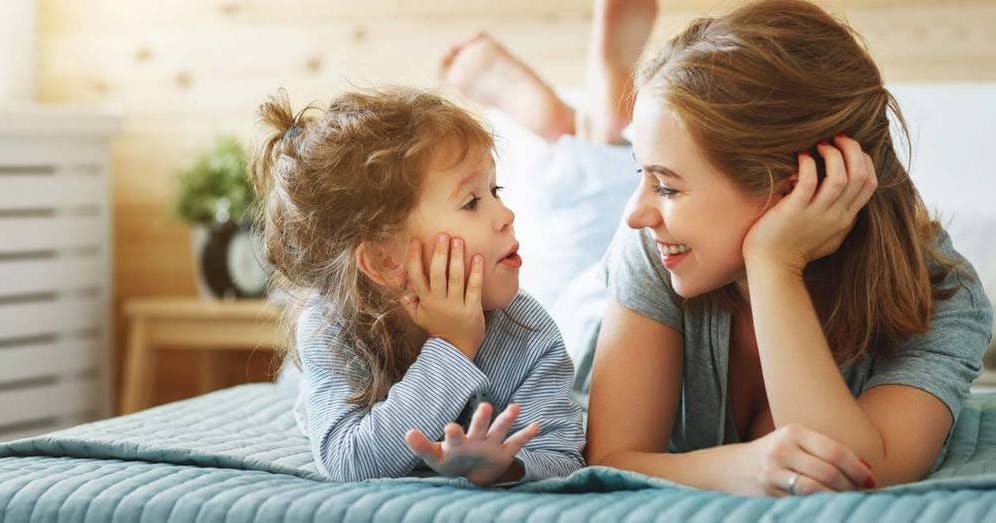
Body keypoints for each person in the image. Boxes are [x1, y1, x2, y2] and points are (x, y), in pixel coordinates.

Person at [447, 0, 993, 498]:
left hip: (701, 248)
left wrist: (775, 265)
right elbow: (609, 456)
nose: (639, 212)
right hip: (591, 309)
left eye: (666, 185)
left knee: (598, 209)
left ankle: (598, 130)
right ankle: (581, 123)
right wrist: (736, 468)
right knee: (585, 235)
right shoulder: (647, 242)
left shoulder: (944, 297)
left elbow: (856, 474)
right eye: (650, 176)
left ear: (794, 185)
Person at [252, 87, 584, 485]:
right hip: (332, 367)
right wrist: (452, 347)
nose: (506, 215)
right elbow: (349, 461)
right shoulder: (332, 327)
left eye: (496, 191)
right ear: (384, 260)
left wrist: (506, 466)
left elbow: (563, 454)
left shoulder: (528, 333)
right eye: (471, 202)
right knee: (301, 389)